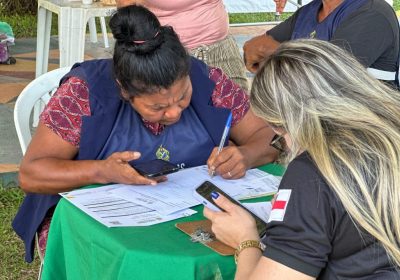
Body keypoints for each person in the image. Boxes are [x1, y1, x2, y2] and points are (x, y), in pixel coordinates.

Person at [13, 5, 278, 262]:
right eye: (158, 107)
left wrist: (246, 154)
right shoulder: (84, 92)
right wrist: (101, 171)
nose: (174, 113)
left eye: (183, 96)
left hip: (191, 213)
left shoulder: (207, 80)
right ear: (124, 90)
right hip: (94, 222)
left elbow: (269, 136)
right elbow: (32, 173)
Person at [204, 39, 400, 279]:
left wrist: (245, 241)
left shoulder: (314, 171)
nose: (286, 146)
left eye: (280, 137)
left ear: (287, 123)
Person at [243, 0, 400, 89]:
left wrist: (278, 53)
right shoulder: (308, 12)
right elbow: (254, 51)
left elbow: (327, 80)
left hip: (366, 133)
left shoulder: (372, 13)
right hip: (317, 127)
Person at [115, 0, 250, 91]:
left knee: (236, 114)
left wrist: (270, 36)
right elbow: (130, 13)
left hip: (221, 49)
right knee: (173, 120)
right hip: (164, 56)